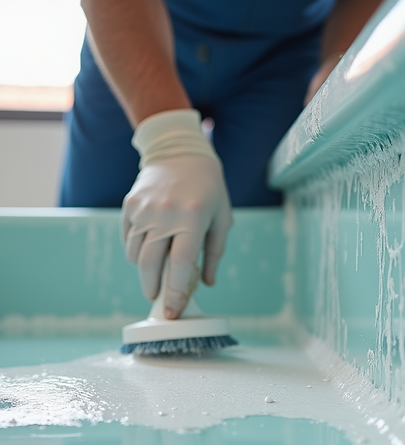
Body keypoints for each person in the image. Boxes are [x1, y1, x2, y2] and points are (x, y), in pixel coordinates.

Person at [60, 0, 381, 319]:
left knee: (250, 249)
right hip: (140, 27)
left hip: (285, 52)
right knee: (90, 243)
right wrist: (168, 139)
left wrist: (342, 56)